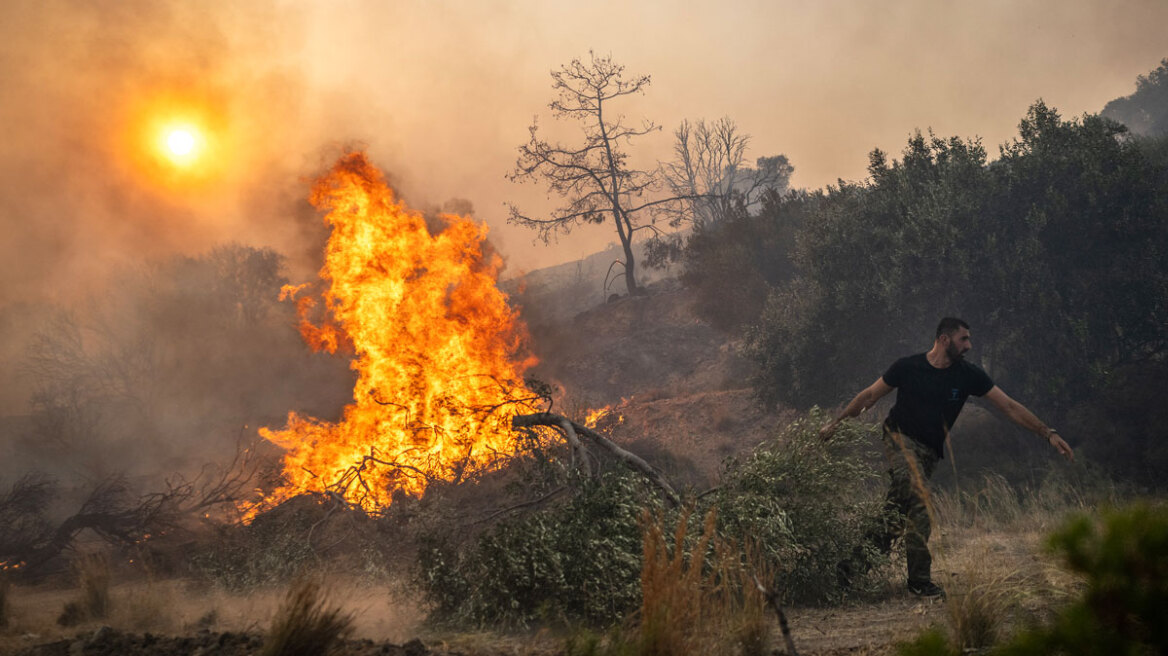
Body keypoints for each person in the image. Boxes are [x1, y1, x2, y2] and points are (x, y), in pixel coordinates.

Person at [819, 317, 1074, 598]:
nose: (969, 345)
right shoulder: (908, 367)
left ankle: (849, 570)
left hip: (929, 452)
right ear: (944, 339)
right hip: (898, 438)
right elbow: (869, 396)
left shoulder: (969, 375)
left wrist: (1047, 432)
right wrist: (836, 423)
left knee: (895, 514)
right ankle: (919, 582)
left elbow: (1009, 406)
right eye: (963, 339)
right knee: (918, 499)